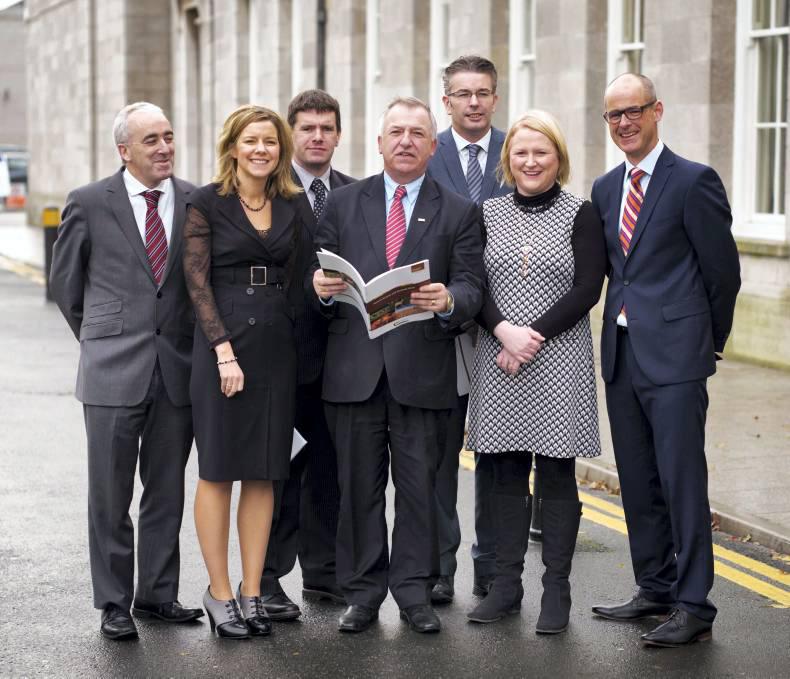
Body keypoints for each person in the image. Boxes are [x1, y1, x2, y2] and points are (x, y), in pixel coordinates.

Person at [312, 96, 484, 634]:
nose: (405, 141)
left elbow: (472, 285)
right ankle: (362, 595)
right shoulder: (342, 203)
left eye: (417, 133)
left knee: (418, 493)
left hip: (423, 373)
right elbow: (319, 274)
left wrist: (449, 300)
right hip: (354, 373)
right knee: (357, 491)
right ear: (379, 142)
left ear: (433, 146)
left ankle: (413, 594)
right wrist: (320, 290)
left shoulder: (458, 210)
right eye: (396, 132)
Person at [589, 74, 740, 647]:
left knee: (681, 481)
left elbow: (723, 272)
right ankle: (654, 587)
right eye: (614, 115)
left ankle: (694, 603)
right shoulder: (606, 187)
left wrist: (707, 342)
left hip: (677, 356)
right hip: (622, 354)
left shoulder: (694, 180)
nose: (624, 123)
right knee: (637, 478)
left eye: (634, 111)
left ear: (657, 110)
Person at [49, 102, 203, 640]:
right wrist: (101, 340)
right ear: (124, 150)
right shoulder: (90, 202)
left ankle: (157, 594)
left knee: (166, 491)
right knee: (110, 495)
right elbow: (66, 286)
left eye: (168, 136)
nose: (164, 147)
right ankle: (114, 602)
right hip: (112, 370)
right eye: (151, 140)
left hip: (177, 368)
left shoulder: (195, 200)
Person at [465, 110, 606, 633]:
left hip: (558, 358)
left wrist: (531, 337)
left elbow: (588, 288)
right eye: (521, 152)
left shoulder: (580, 213)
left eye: (541, 152)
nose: (530, 161)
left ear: (558, 158)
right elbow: (473, 282)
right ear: (508, 159)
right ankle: (505, 585)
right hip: (500, 355)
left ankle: (556, 588)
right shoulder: (486, 212)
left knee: (555, 473)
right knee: (503, 472)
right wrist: (505, 332)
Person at [183, 105, 313, 639]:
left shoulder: (293, 203)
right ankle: (219, 593)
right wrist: (223, 351)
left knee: (264, 472)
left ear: (281, 150)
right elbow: (196, 283)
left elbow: (303, 277)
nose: (262, 149)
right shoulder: (206, 202)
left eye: (271, 141)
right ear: (233, 147)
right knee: (218, 471)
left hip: (276, 348)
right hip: (224, 346)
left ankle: (253, 591)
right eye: (252, 140)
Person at [260, 89, 355, 620]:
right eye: (308, 128)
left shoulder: (357, 193)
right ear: (290, 133)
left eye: (327, 128)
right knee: (279, 471)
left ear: (339, 134)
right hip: (283, 357)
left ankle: (324, 573)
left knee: (329, 469)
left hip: (341, 360)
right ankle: (268, 577)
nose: (318, 137)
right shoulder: (268, 191)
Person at [426, 54, 511, 604]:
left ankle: (493, 567)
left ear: (495, 98)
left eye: (483, 93)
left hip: (506, 327)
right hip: (443, 326)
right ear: (447, 101)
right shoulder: (425, 153)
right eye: (463, 93)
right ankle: (440, 567)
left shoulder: (517, 149)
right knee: (440, 455)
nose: (474, 102)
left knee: (497, 455)